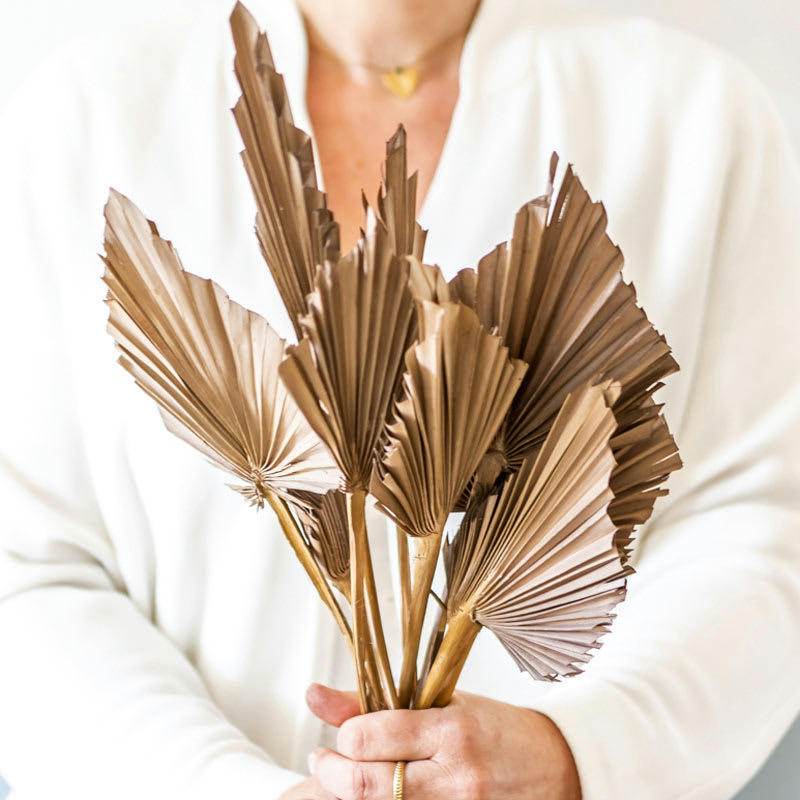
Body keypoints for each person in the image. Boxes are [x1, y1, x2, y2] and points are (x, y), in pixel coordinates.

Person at [0, 0, 799, 797]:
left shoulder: (690, 119)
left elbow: (755, 529)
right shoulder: (84, 118)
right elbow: (29, 566)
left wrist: (578, 752)